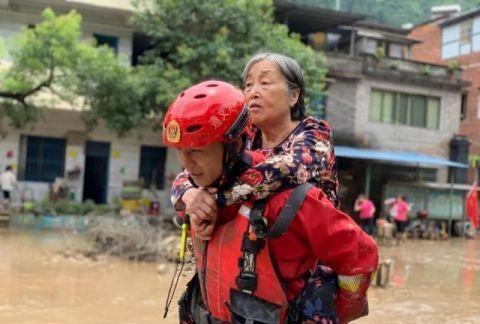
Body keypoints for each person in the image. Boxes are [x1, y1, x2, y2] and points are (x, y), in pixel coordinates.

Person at [164, 80, 378, 323]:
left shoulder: (288, 198)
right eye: (179, 151)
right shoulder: (196, 191)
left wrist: (333, 313)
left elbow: (361, 255)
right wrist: (189, 199)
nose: (186, 164)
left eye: (197, 151)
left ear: (233, 146)